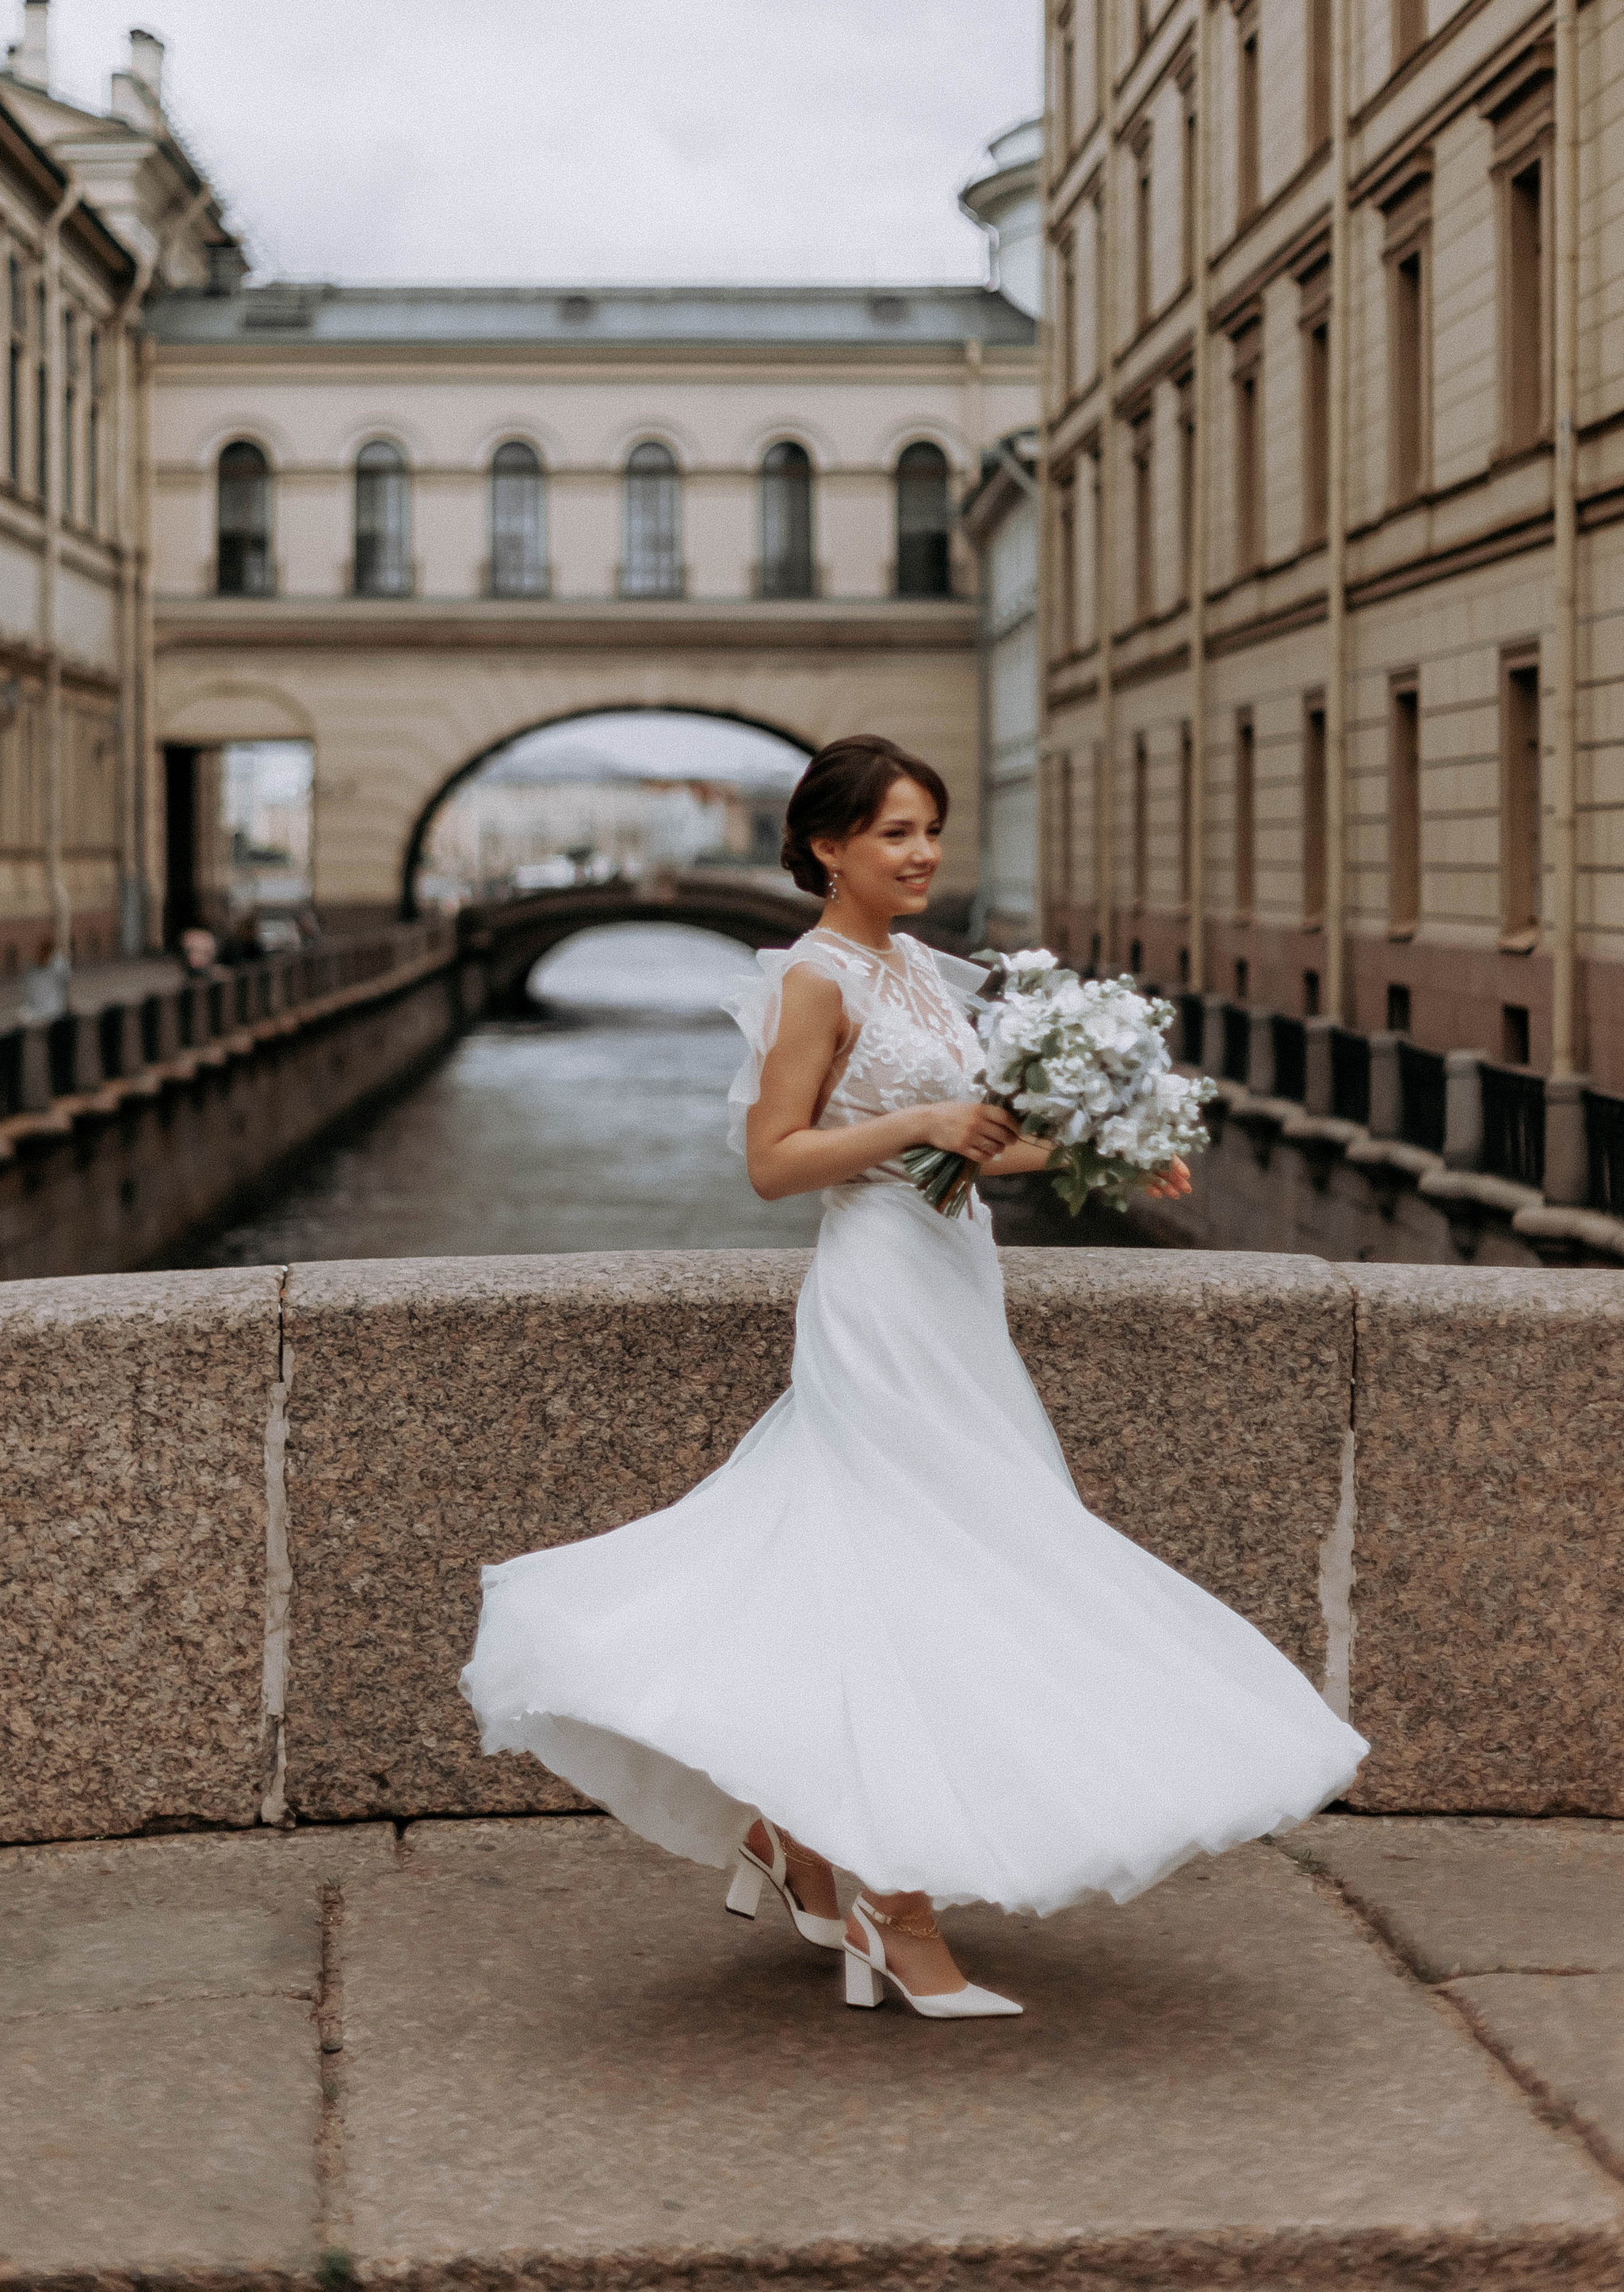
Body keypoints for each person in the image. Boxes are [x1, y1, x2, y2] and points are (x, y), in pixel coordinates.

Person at [461, 732, 1365, 2021]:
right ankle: (895, 1906)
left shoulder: (921, 972)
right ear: (827, 847)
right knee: (917, 1562)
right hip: (878, 1289)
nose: (924, 851)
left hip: (953, 1282)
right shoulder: (814, 979)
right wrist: (921, 1121)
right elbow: (775, 1163)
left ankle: (799, 1840)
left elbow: (965, 1151)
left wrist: (1104, 1149)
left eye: (931, 828)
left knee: (900, 1549)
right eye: (895, 832)